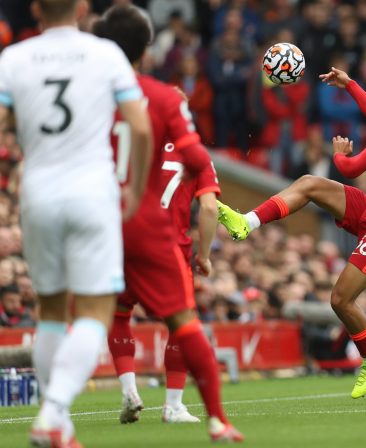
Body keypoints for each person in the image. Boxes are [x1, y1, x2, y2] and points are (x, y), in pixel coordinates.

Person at [218, 66, 366, 399]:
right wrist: (349, 84)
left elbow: (350, 168)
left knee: (339, 299)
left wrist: (339, 155)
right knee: (309, 184)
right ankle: (248, 223)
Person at [0, 1, 152, 446]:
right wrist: (135, 187)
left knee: (49, 311)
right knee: (94, 311)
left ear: (35, 8)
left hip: (38, 192)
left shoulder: (13, 59)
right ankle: (53, 412)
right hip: (92, 192)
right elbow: (140, 129)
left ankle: (60, 425)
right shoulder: (104, 55)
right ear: (83, 7)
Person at [93, 6, 242, 442]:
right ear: (147, 48)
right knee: (184, 321)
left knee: (92, 316)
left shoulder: (92, 97)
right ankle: (200, 412)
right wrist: (203, 255)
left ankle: (73, 407)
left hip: (99, 225)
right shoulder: (162, 100)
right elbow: (208, 202)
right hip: (158, 234)